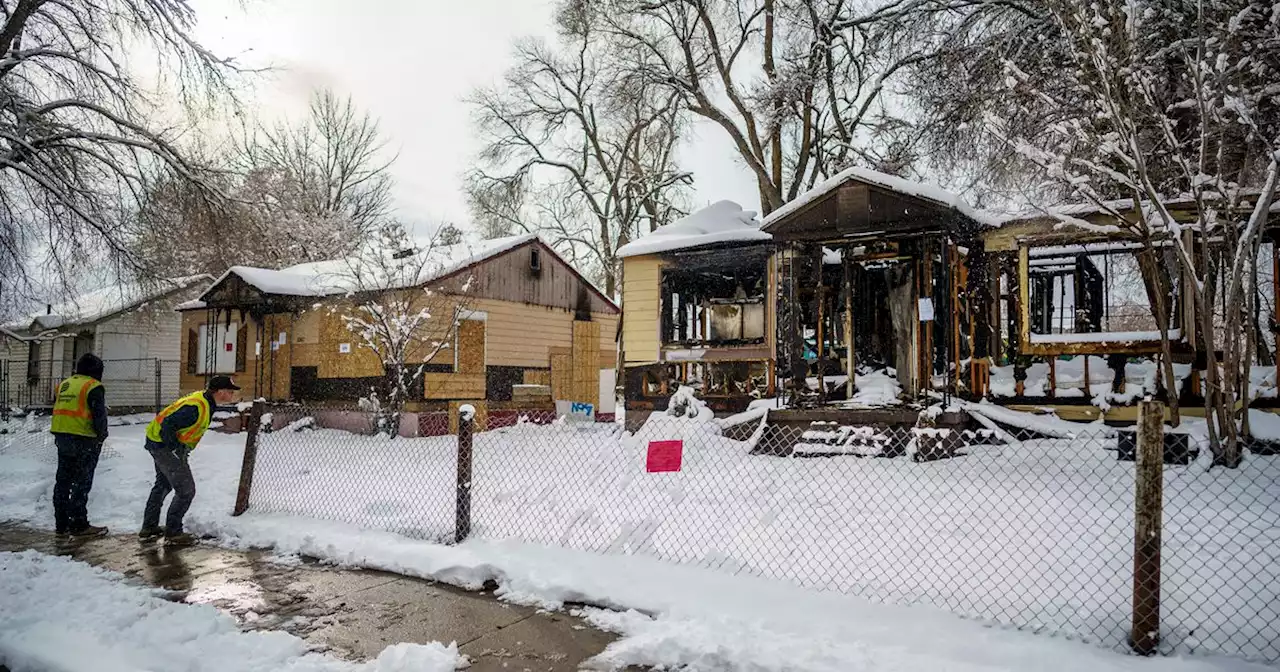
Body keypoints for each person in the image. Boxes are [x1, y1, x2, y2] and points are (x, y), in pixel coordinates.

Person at [139, 375, 240, 546]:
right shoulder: (196, 406)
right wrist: (175, 450)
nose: (232, 395)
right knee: (186, 490)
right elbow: (168, 426)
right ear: (221, 392)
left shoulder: (205, 402)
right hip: (164, 446)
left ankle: (149, 527)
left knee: (163, 484)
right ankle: (173, 532)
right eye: (230, 392)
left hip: (158, 443)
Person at [50, 353, 110, 538]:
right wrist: (101, 436)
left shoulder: (65, 384)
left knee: (63, 482)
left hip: (62, 436)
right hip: (84, 439)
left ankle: (61, 523)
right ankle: (79, 524)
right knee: (81, 483)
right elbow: (99, 416)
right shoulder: (93, 387)